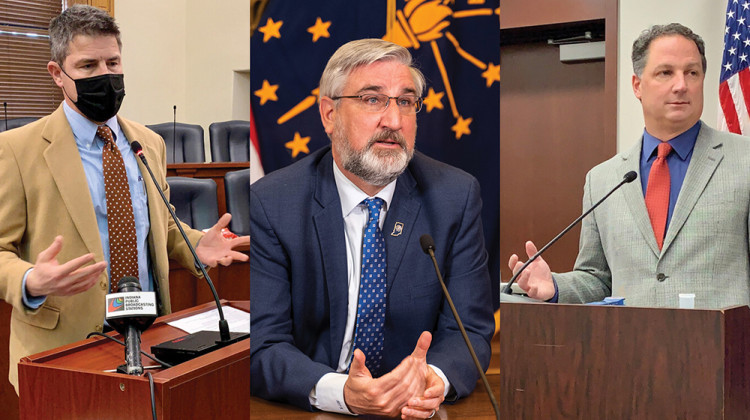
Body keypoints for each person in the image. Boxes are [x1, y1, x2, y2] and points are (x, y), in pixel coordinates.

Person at [0, 5, 249, 392]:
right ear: (57, 74)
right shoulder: (16, 150)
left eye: (113, 62)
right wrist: (31, 280)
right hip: (61, 348)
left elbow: (157, 224)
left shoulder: (146, 143)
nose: (105, 75)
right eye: (88, 66)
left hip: (149, 338)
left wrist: (196, 243)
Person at [250, 38, 494, 418]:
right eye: (372, 99)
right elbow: (263, 345)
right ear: (329, 114)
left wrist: (433, 379)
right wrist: (343, 392)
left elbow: (470, 332)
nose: (394, 121)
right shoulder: (274, 201)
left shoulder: (455, 197)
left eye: (406, 102)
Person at [509, 23, 750, 309]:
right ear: (637, 85)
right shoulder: (603, 179)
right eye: (665, 72)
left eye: (692, 73)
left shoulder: (743, 160)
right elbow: (597, 279)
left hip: (724, 349)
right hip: (630, 349)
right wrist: (555, 287)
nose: (681, 85)